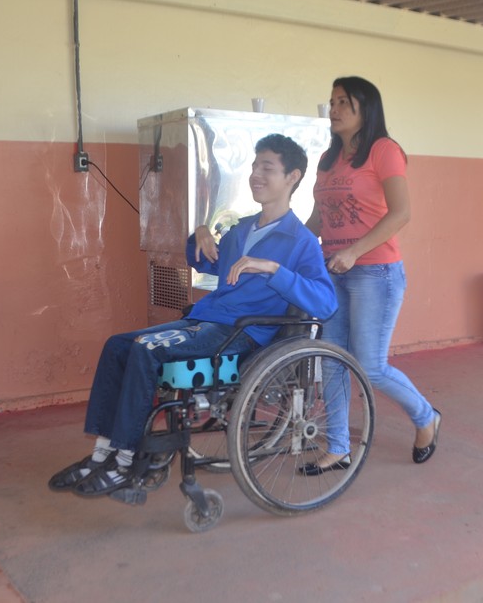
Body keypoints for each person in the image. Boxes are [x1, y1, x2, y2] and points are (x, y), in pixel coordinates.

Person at [49, 133, 337, 498]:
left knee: (145, 348)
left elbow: (325, 303)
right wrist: (199, 235)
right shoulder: (242, 229)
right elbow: (202, 260)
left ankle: (124, 462)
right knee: (118, 345)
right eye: (253, 166)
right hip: (206, 320)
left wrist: (272, 269)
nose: (255, 174)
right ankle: (101, 454)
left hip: (242, 334)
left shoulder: (301, 242)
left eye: (267, 168)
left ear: (293, 177)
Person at [303, 76, 441, 474]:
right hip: (333, 272)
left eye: (344, 102)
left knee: (370, 365)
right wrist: (284, 239)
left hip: (374, 271)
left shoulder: (384, 151)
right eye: (331, 102)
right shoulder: (328, 161)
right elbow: (318, 219)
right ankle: (339, 447)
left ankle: (426, 417)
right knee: (331, 361)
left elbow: (401, 213)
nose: (334, 109)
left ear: (366, 109)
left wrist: (353, 251)